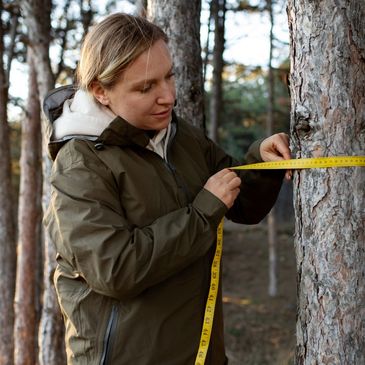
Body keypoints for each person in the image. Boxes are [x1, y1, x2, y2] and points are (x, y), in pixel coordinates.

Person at [44, 13, 290, 365]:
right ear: (100, 91)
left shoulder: (177, 135)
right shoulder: (80, 164)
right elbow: (115, 269)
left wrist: (261, 162)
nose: (168, 97)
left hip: (200, 354)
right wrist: (203, 213)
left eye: (169, 76)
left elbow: (239, 203)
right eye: (146, 87)